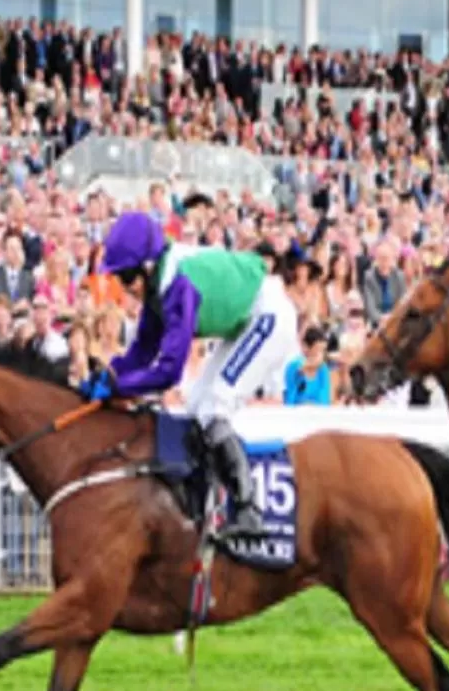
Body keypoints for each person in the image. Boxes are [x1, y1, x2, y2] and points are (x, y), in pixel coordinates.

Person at [98, 210, 299, 540]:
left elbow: (168, 373)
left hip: (268, 315)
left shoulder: (179, 286)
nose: (125, 287)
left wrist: (119, 387)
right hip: (242, 320)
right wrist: (109, 373)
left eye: (126, 276)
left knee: (215, 405)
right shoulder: (158, 284)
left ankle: (249, 508)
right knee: (194, 406)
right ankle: (206, 503)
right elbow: (142, 352)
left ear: (147, 266)